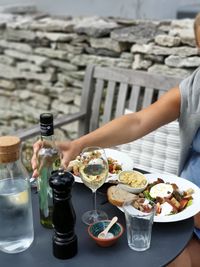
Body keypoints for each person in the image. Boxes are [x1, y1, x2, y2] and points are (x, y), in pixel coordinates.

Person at [32, 13, 200, 267]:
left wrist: (190, 215)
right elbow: (138, 122)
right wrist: (78, 144)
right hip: (176, 215)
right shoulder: (196, 87)